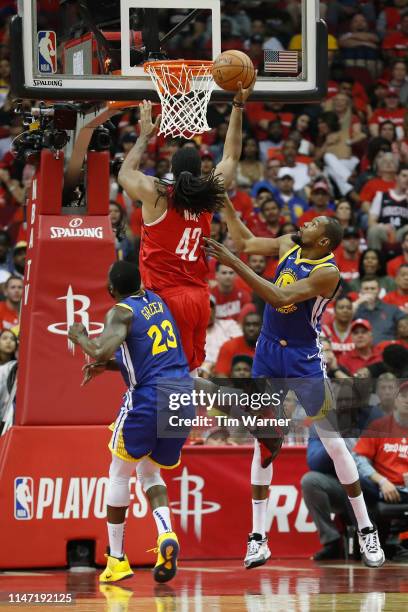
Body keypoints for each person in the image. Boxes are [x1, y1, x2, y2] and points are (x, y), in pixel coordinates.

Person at [205, 196, 385, 569]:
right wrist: (226, 204)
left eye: (314, 224)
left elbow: (279, 294)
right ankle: (258, 538)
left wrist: (234, 263)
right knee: (265, 441)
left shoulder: (328, 273)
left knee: (334, 444)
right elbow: (246, 241)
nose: (305, 224)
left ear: (324, 242)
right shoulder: (291, 243)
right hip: (268, 352)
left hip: (302, 359)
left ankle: (367, 530)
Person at [68, 261, 193, 584]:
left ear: (111, 290)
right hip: (181, 394)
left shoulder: (120, 312)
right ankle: (166, 533)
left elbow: (98, 348)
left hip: (149, 399)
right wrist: (110, 367)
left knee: (118, 472)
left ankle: (117, 560)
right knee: (149, 470)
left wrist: (80, 335)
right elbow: (146, 354)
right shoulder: (156, 301)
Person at [118, 79, 255, 372]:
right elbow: (231, 155)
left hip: (167, 297)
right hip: (200, 297)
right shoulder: (210, 194)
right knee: (191, 369)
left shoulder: (158, 196)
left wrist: (144, 136)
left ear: (172, 170)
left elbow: (125, 174)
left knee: (167, 373)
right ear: (200, 170)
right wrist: (238, 106)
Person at [367, 165, 408, 251]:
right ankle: (376, 259)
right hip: (385, 232)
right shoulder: (381, 196)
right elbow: (371, 221)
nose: (407, 179)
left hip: (404, 233)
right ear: (396, 177)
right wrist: (382, 226)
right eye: (404, 176)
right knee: (373, 231)